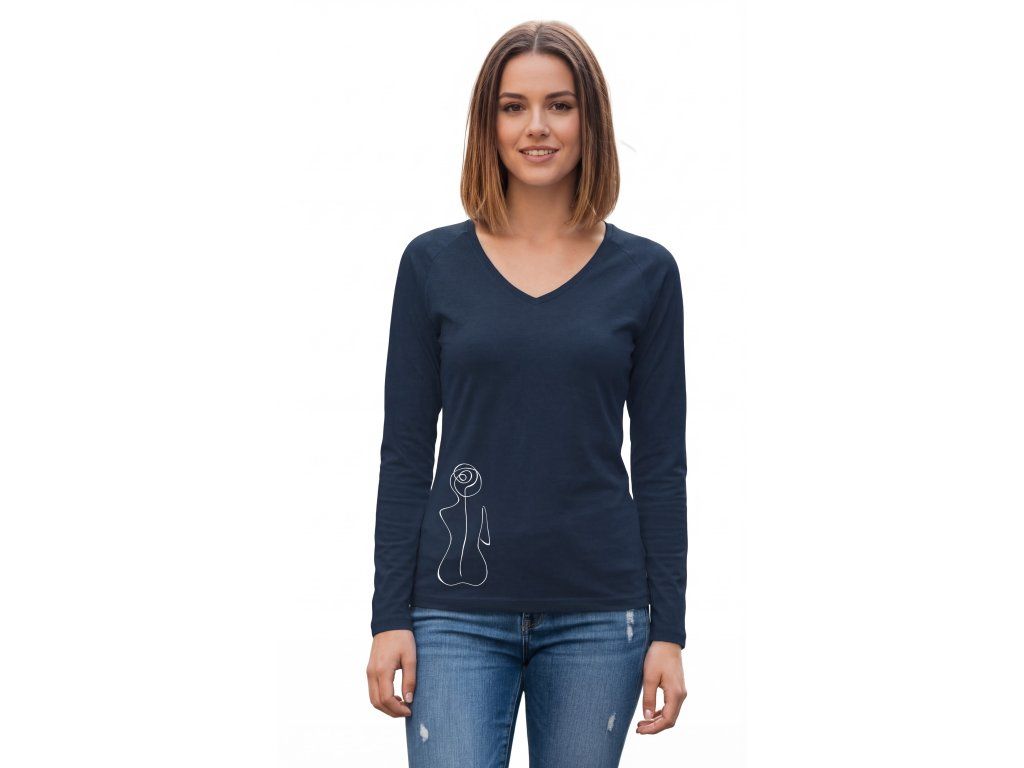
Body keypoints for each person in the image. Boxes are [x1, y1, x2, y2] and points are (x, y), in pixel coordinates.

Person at [366, 20, 688, 767]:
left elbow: (661, 464)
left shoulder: (647, 275)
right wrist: (388, 617)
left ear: (590, 121)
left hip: (599, 614)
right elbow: (405, 455)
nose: (536, 126)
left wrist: (669, 631)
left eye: (559, 105)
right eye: (513, 107)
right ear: (488, 123)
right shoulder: (431, 266)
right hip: (453, 615)